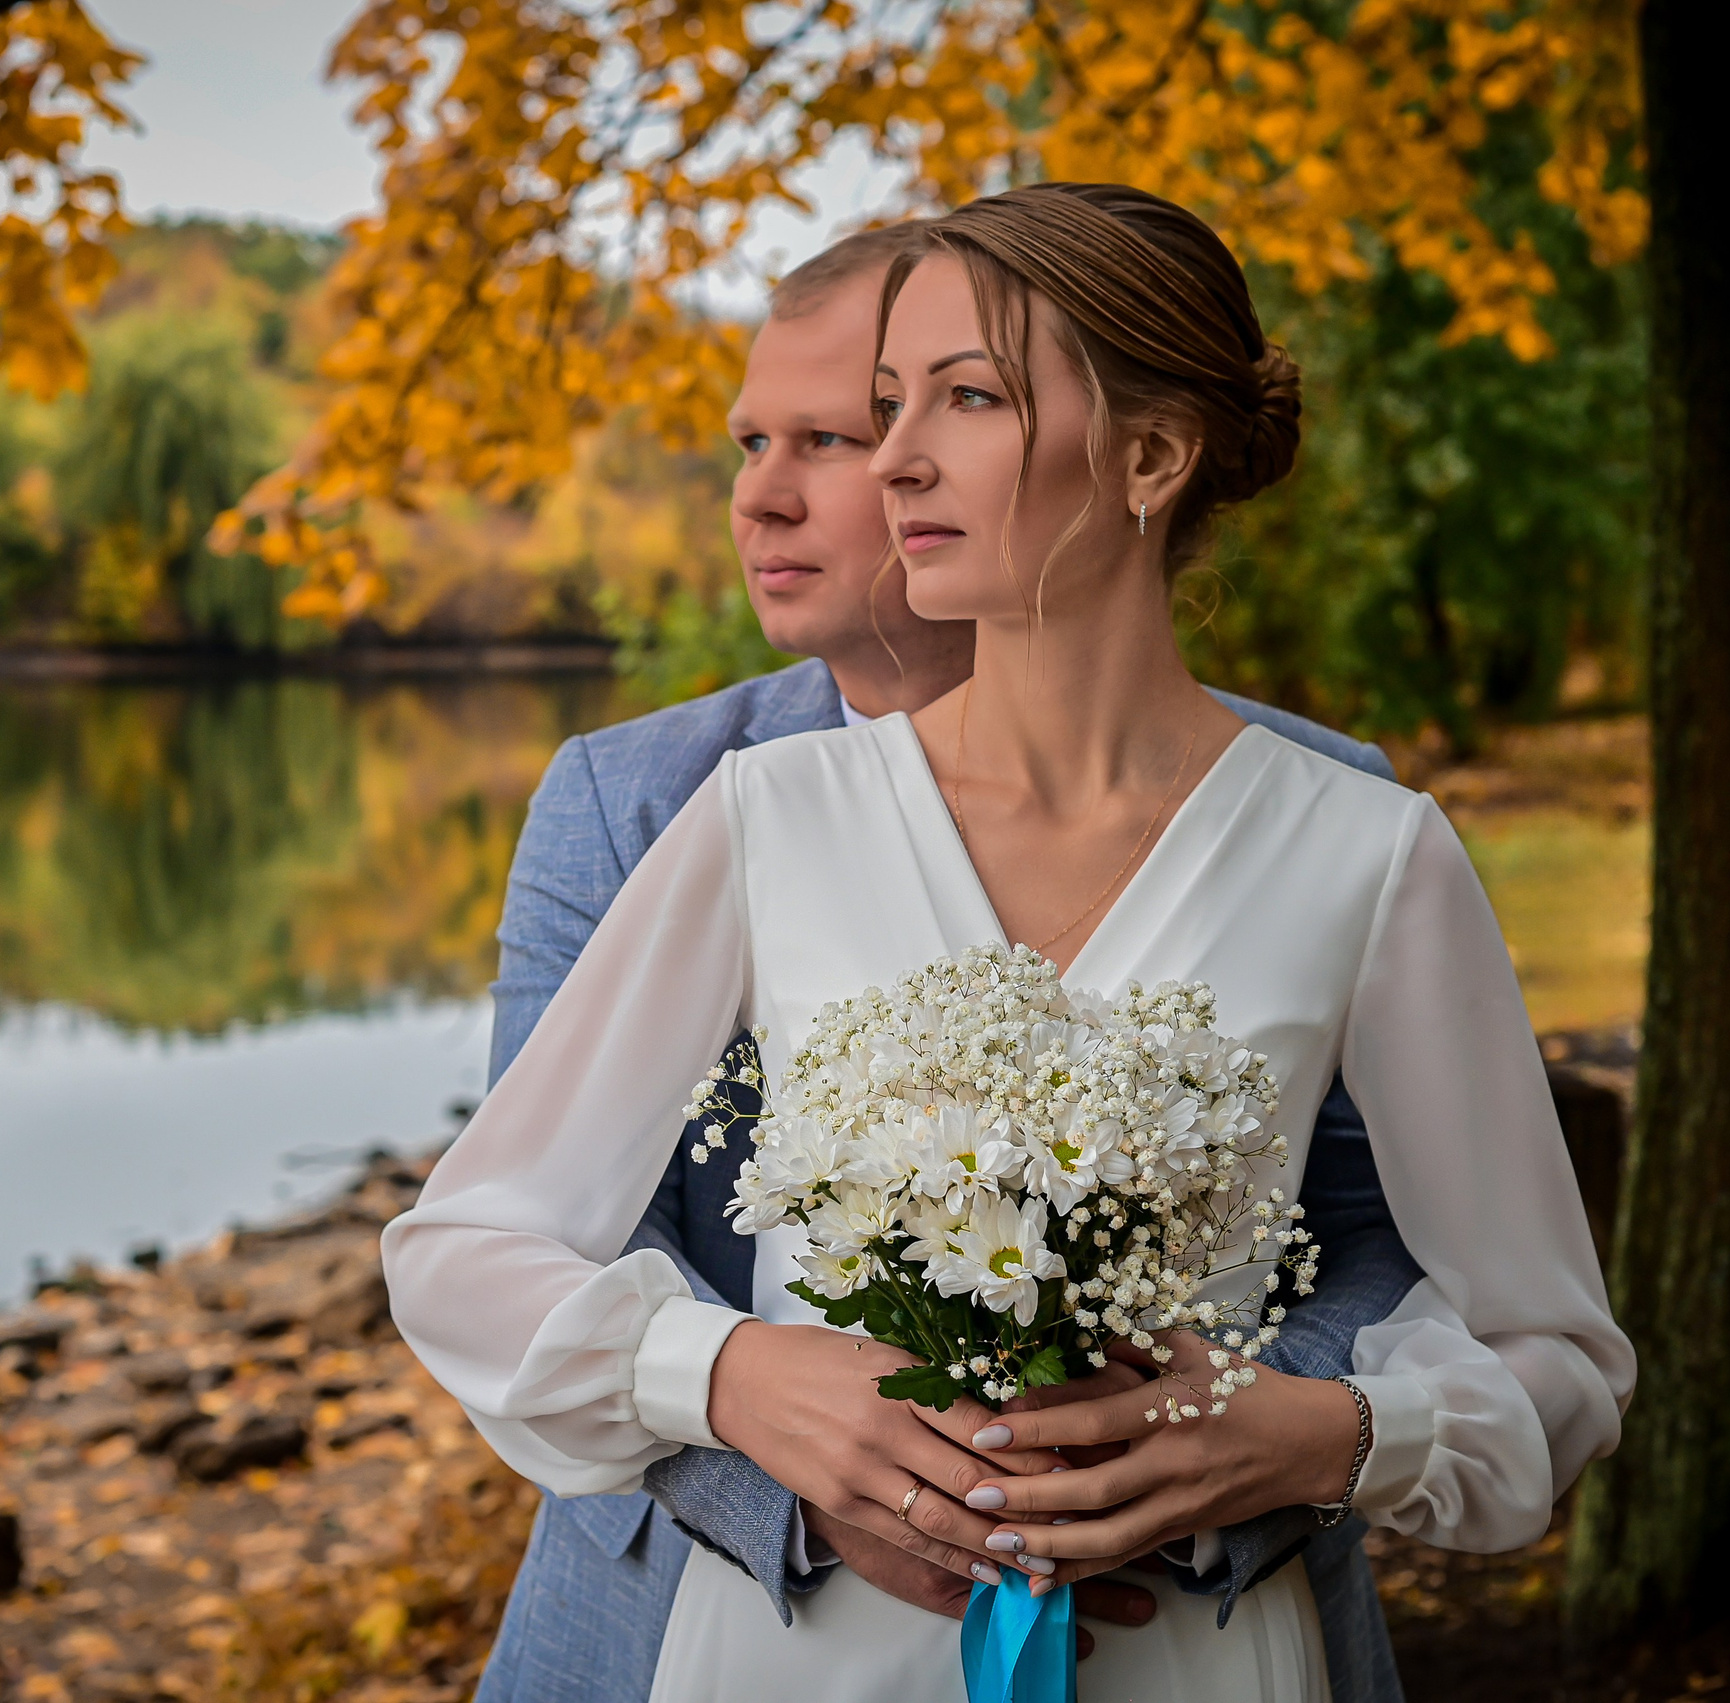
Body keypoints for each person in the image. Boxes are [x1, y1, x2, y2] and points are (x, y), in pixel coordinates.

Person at [392, 185, 1631, 1701]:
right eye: (891, 402)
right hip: (789, 1661)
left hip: (1198, 1657)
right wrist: (732, 1375)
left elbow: (1557, 1360)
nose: (896, 455)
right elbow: (463, 1253)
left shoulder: (1368, 854)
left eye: (968, 398)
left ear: (1154, 458)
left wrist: (1309, 1435)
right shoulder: (763, 819)